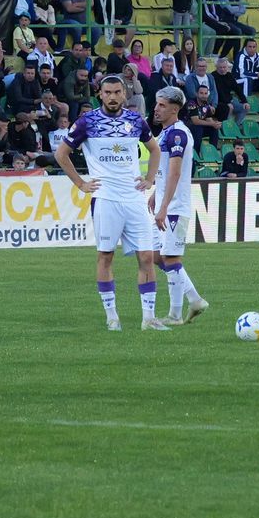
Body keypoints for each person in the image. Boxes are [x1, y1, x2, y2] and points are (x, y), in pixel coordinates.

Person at [55, 76, 166, 332]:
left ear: (124, 94)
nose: (113, 96)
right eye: (108, 92)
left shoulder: (135, 120)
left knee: (147, 256)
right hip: (105, 198)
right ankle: (111, 316)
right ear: (100, 94)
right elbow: (61, 154)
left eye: (117, 92)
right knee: (106, 256)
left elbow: (155, 149)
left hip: (133, 197)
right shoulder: (87, 122)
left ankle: (148, 318)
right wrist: (81, 184)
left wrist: (149, 178)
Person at [149, 86, 209, 326]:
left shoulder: (178, 135)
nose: (156, 109)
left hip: (175, 207)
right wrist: (156, 192)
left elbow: (175, 173)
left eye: (162, 105)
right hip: (166, 202)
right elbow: (166, 172)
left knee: (171, 259)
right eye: (156, 104)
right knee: (156, 256)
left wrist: (163, 207)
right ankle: (194, 299)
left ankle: (175, 314)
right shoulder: (166, 133)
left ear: (175, 109)